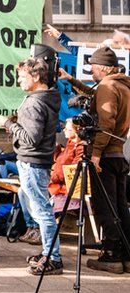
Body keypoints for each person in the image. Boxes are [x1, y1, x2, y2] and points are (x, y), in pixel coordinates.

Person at [0, 58, 63, 276]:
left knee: (42, 212)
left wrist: (9, 123)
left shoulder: (35, 102)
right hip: (36, 160)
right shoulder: (46, 98)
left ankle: (53, 258)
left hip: (32, 161)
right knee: (40, 209)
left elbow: (31, 138)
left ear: (36, 77)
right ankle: (48, 252)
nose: (19, 81)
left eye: (22, 76)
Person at [82, 47, 130, 274]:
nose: (90, 69)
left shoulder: (107, 86)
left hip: (107, 154)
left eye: (92, 66)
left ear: (102, 67)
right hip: (119, 154)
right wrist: (71, 80)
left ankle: (111, 254)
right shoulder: (121, 85)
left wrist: (96, 154)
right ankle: (126, 254)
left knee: (105, 207)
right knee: (120, 207)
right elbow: (97, 97)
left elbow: (106, 124)